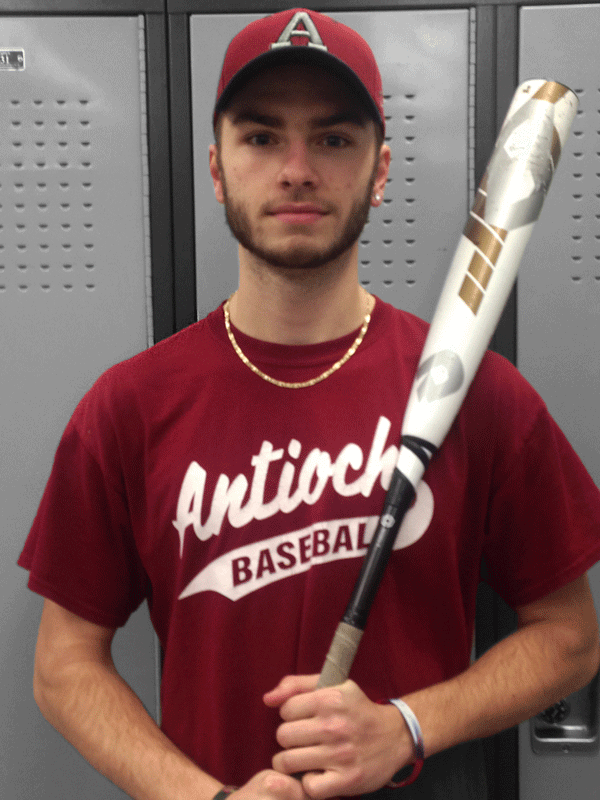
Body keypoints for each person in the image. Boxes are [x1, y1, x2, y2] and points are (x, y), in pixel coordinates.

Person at [19, 8, 600, 800]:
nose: (296, 169)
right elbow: (62, 669)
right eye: (261, 138)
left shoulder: (481, 396)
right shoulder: (129, 407)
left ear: (381, 170)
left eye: (333, 139)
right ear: (218, 169)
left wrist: (407, 725)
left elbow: (570, 640)